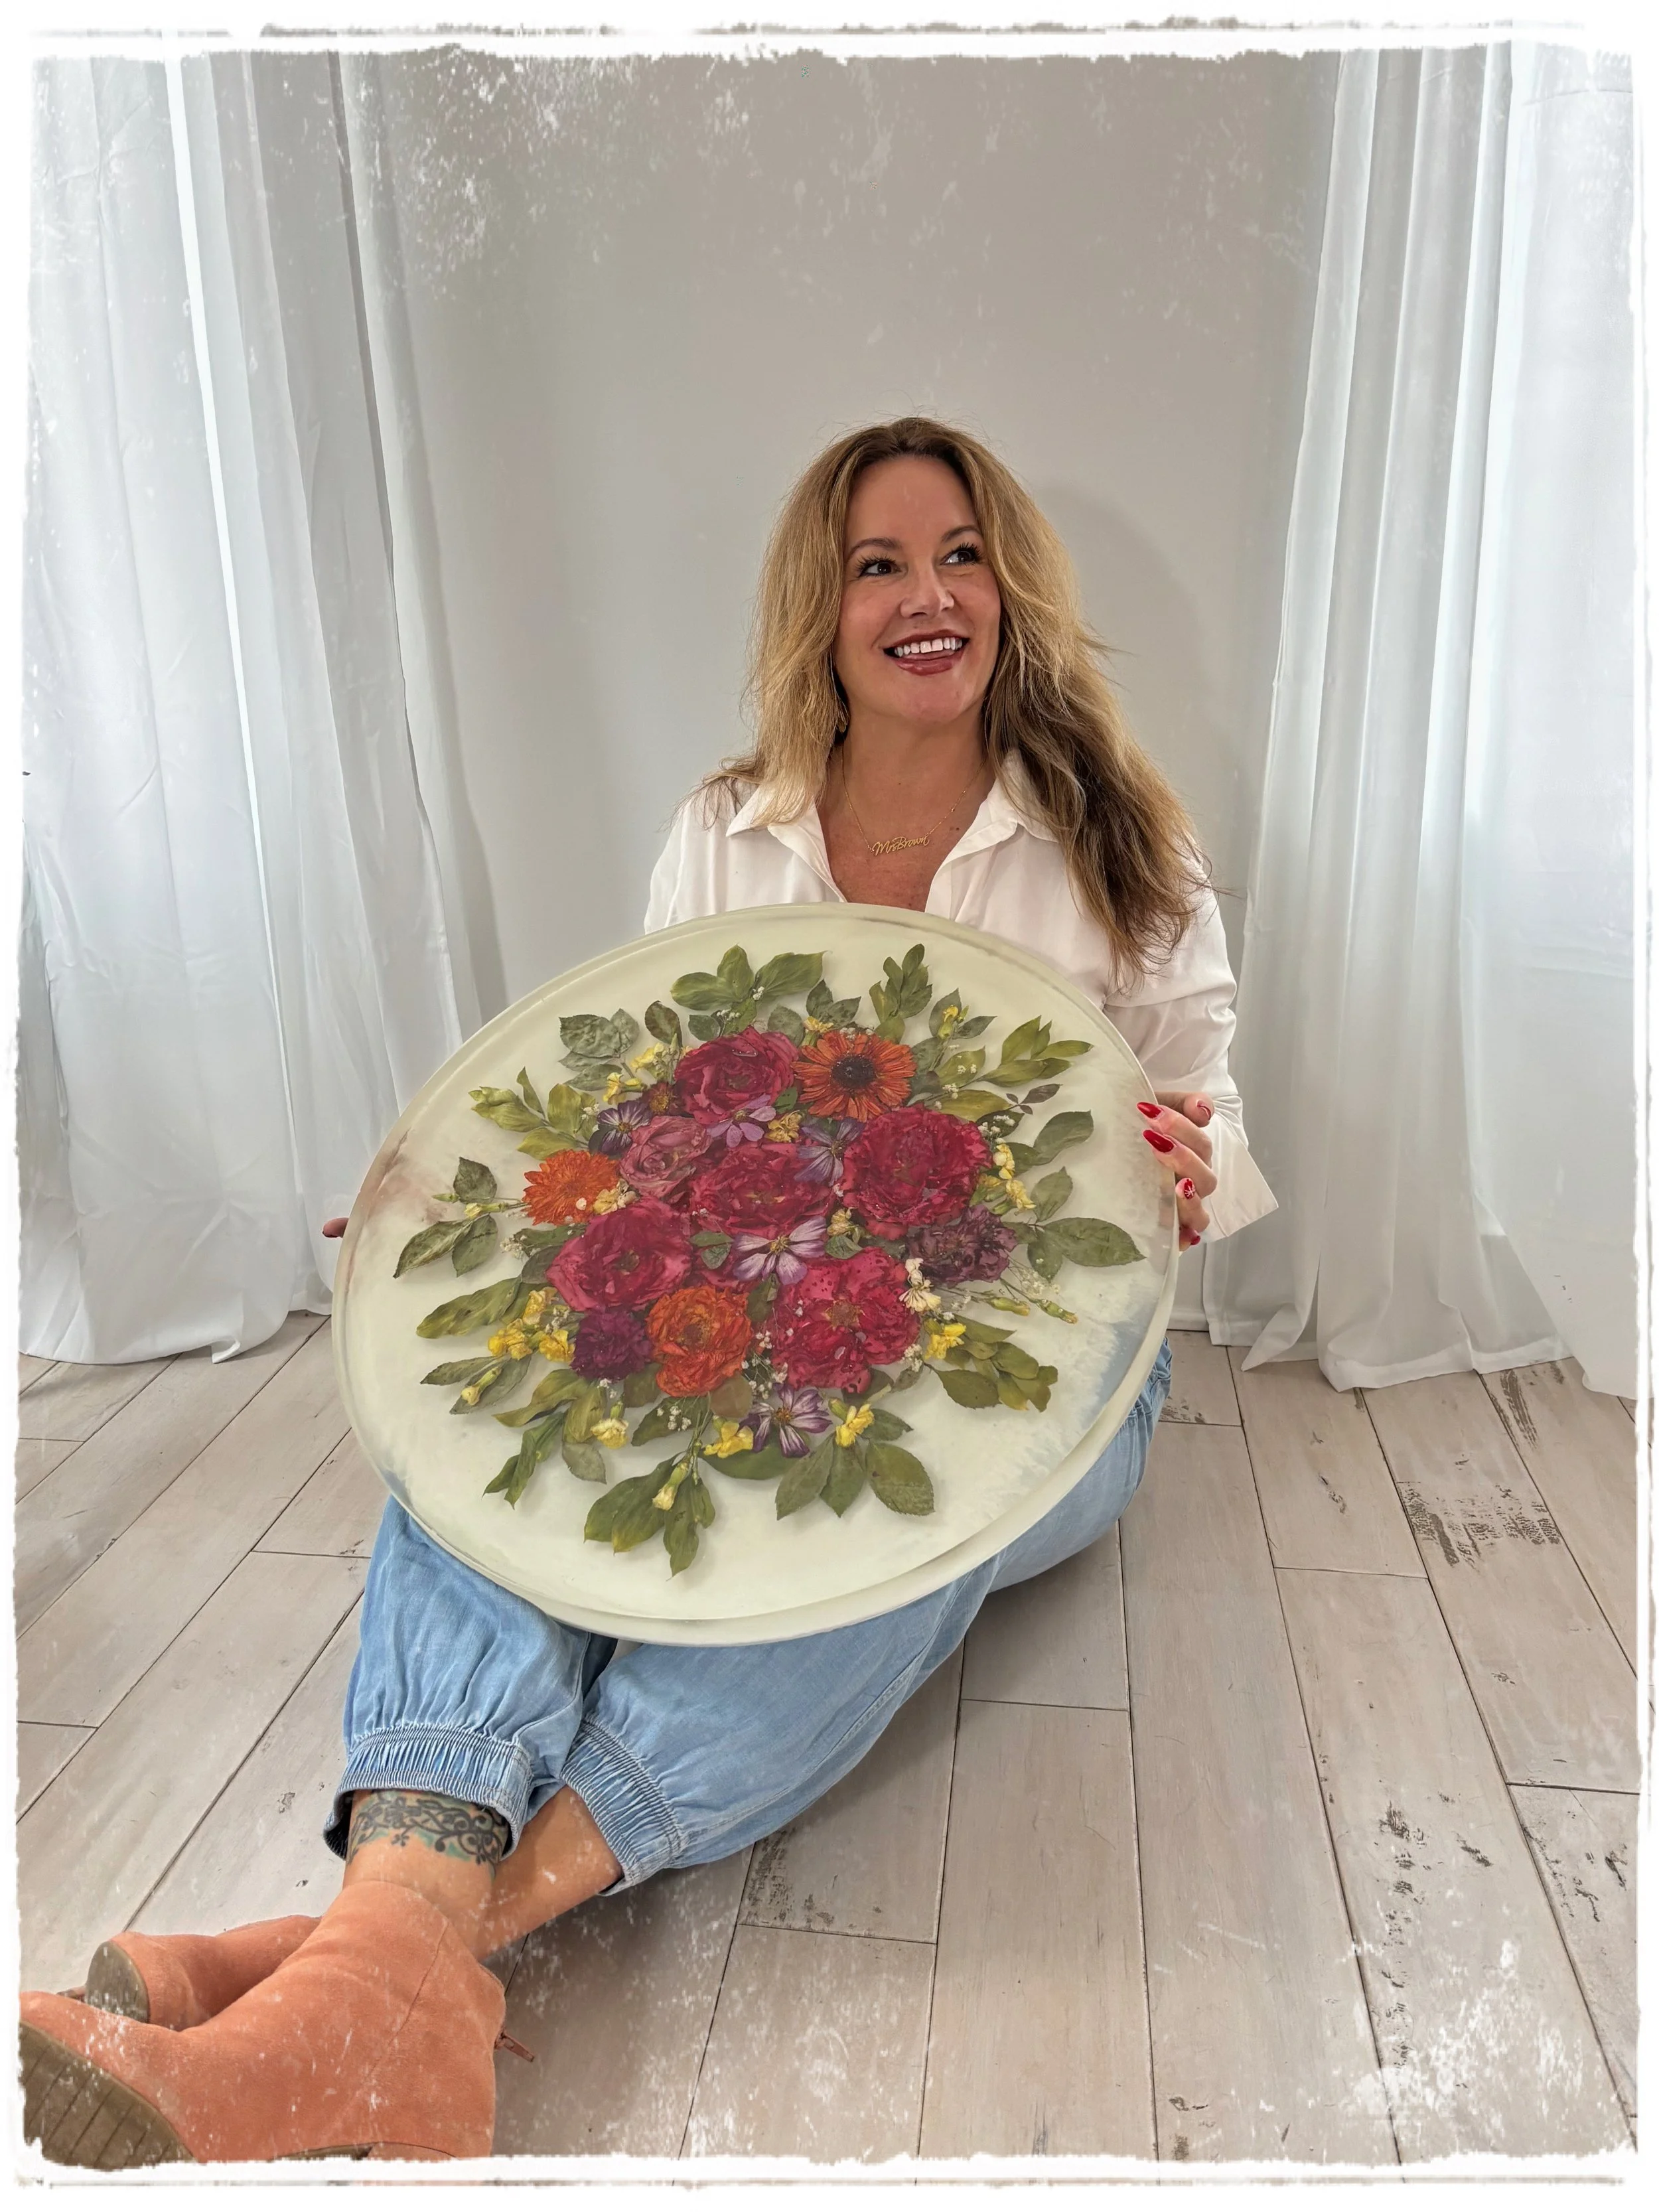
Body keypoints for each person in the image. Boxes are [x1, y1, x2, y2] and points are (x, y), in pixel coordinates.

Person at [21, 417, 1275, 2167]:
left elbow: (1201, 1124)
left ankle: (357, 1966)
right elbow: (645, 1109)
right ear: (822, 609)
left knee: (886, 1532)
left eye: (961, 555)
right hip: (746, 1320)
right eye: (879, 564)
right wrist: (455, 1204)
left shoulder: (1119, 837)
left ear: (1011, 588)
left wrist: (1195, 1169)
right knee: (482, 1434)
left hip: (1061, 1383)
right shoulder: (726, 830)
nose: (927, 595)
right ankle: (395, 1970)